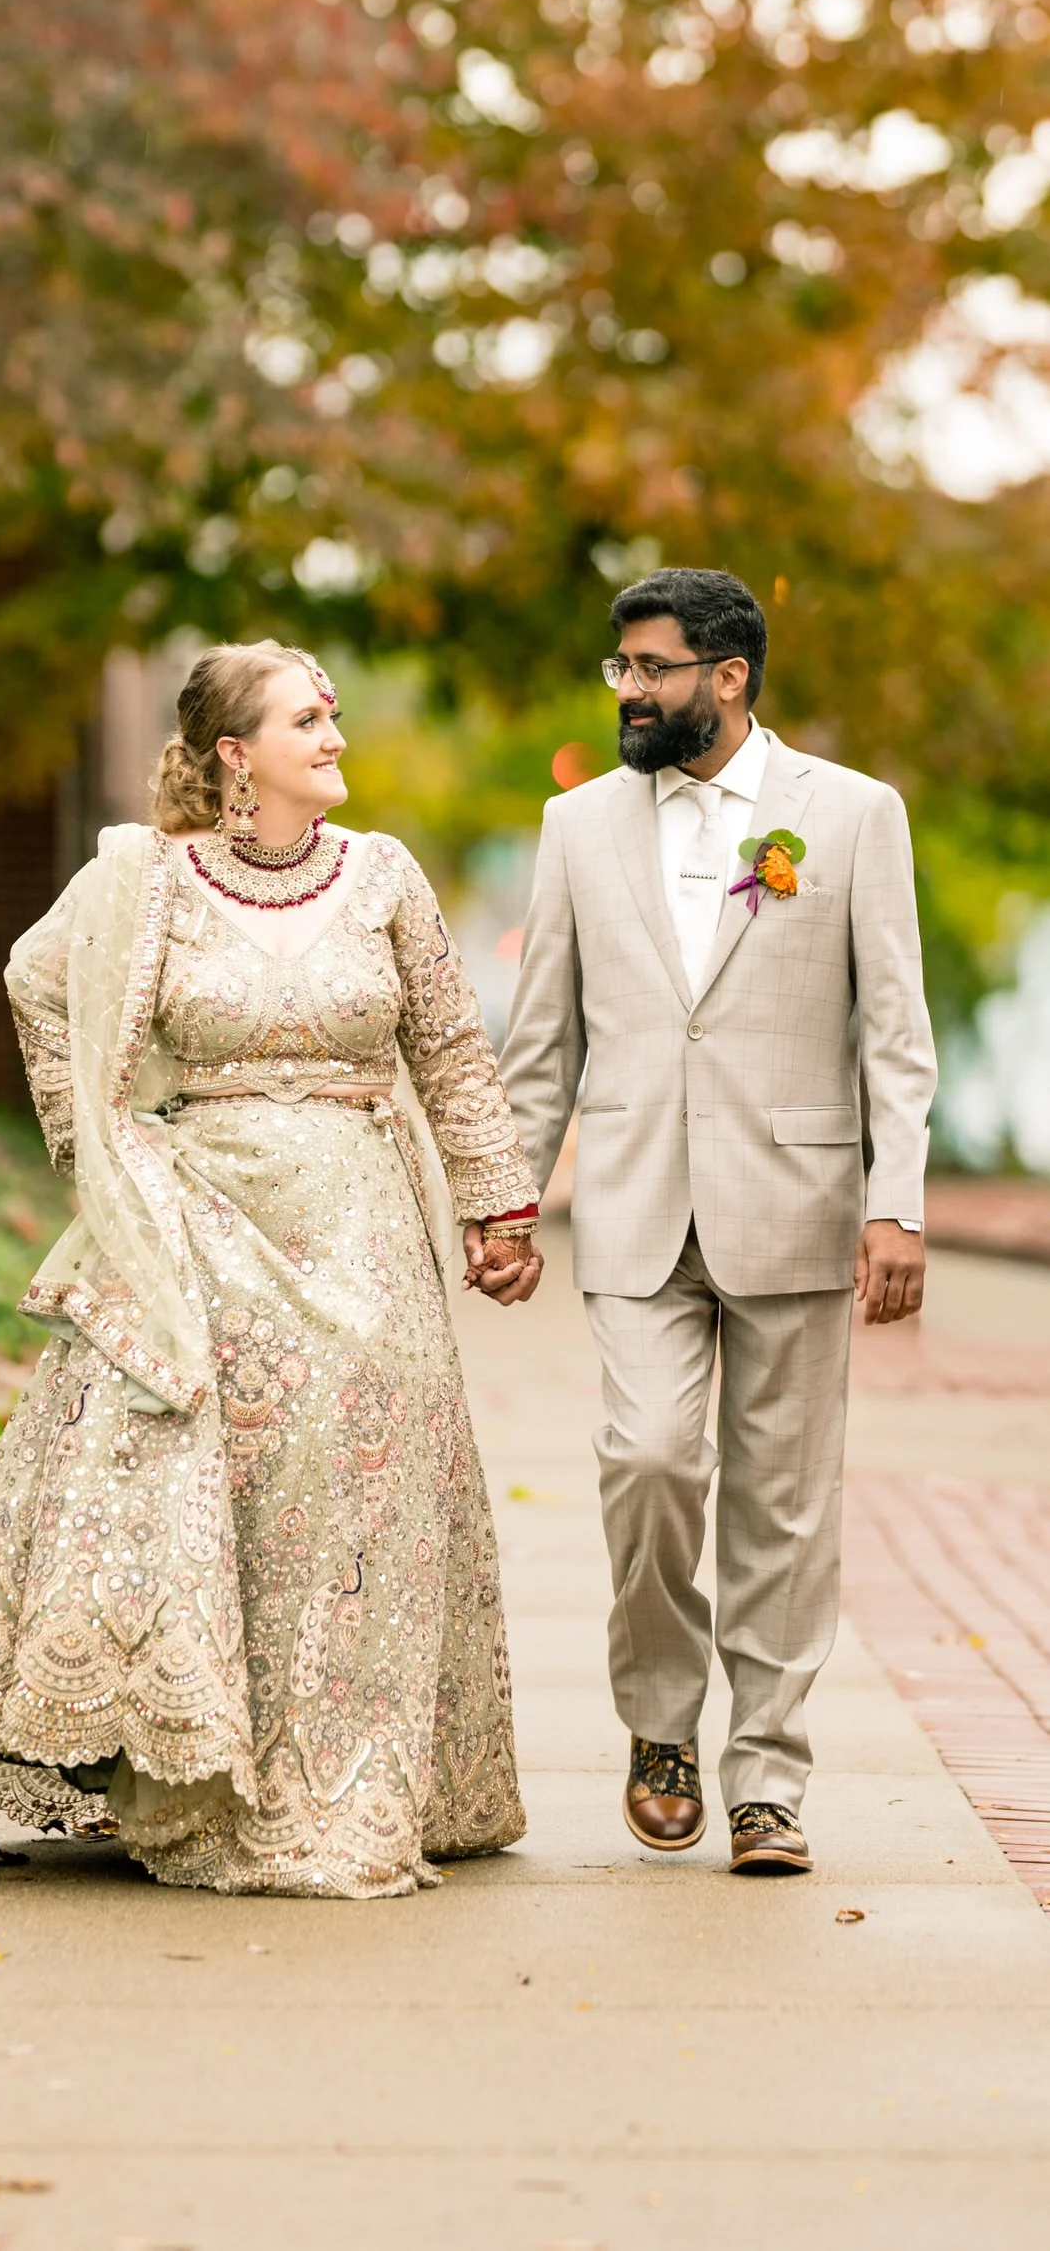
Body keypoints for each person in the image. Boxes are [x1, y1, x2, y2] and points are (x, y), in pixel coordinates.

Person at [0, 640, 543, 1898]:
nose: (335, 736)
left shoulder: (383, 875)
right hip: (202, 1227)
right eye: (308, 719)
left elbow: (452, 1048)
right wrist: (103, 1150)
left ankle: (358, 1784)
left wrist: (494, 1206)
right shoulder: (148, 882)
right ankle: (214, 1772)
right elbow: (36, 984)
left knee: (364, 1508)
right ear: (236, 754)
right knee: (237, 1502)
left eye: (334, 713)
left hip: (363, 1232)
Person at [499, 568, 936, 1874]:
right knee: (645, 1460)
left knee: (781, 1507)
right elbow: (541, 1045)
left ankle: (764, 1781)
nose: (625, 691)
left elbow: (891, 1035)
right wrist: (510, 1201)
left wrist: (894, 1204)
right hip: (633, 1208)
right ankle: (656, 1726)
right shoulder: (573, 824)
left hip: (795, 1200)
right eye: (617, 670)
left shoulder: (849, 818)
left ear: (725, 677)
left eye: (648, 669)